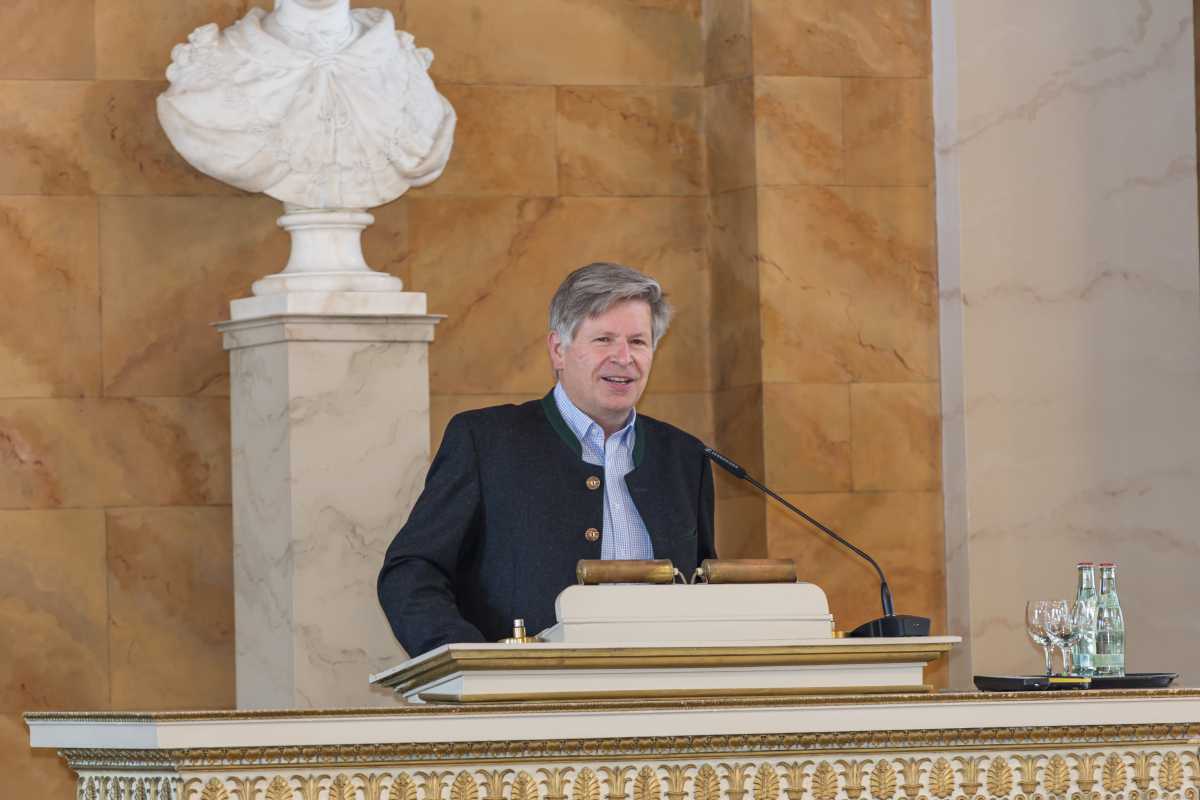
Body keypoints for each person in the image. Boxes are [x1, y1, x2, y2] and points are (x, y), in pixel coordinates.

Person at [378, 263, 717, 656]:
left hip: (661, 685)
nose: (624, 358)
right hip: (525, 691)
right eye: (604, 340)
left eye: (638, 342)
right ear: (558, 350)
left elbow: (704, 589)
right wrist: (474, 663)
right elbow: (411, 572)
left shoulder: (685, 457)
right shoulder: (487, 441)